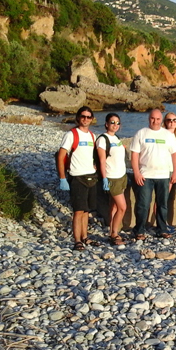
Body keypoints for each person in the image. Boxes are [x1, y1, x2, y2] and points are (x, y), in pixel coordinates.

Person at [130, 109, 176, 240]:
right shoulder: (141, 133)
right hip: (145, 175)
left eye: (158, 119)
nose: (155, 121)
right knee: (143, 204)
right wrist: (136, 173)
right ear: (149, 119)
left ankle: (161, 229)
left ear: (161, 120)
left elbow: (174, 155)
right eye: (153, 118)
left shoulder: (168, 135)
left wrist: (175, 172)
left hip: (163, 175)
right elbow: (134, 155)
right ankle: (139, 230)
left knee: (162, 204)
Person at [57, 106, 98, 251]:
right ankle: (77, 240)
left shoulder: (92, 136)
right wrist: (62, 178)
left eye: (88, 117)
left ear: (92, 119)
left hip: (91, 176)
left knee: (86, 211)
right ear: (78, 118)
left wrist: (95, 166)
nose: (85, 119)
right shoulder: (71, 135)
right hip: (76, 177)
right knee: (78, 211)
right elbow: (61, 156)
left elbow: (92, 155)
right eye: (83, 116)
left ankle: (85, 237)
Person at [96, 113, 127, 246]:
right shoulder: (103, 139)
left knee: (114, 205)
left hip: (121, 176)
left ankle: (111, 231)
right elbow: (102, 161)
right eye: (112, 122)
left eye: (117, 123)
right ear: (106, 124)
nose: (115, 125)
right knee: (122, 207)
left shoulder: (116, 138)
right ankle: (114, 233)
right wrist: (104, 178)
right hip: (112, 177)